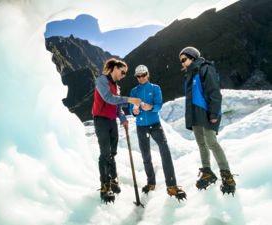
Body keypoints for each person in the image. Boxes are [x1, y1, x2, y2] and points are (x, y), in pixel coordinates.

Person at [179, 46, 236, 195]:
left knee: (211, 142)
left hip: (207, 113)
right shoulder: (190, 74)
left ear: (192, 57)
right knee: (201, 143)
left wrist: (214, 113)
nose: (183, 63)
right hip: (196, 115)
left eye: (184, 59)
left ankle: (227, 175)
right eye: (181, 61)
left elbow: (214, 92)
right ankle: (207, 172)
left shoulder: (205, 68)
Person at [129, 65, 186, 201]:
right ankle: (151, 183)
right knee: (145, 155)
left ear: (148, 74)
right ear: (136, 77)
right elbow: (132, 108)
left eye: (143, 75)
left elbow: (159, 105)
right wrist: (134, 111)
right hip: (141, 126)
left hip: (155, 125)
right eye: (138, 76)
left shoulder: (155, 88)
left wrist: (151, 107)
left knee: (165, 152)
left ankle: (171, 185)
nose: (141, 78)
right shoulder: (134, 91)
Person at [92, 58, 142, 203]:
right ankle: (104, 186)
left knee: (112, 153)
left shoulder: (117, 87)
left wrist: (123, 119)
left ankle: (113, 180)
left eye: (125, 73)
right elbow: (109, 98)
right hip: (101, 120)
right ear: (115, 68)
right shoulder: (102, 80)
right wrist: (130, 100)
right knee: (105, 153)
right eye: (123, 72)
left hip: (112, 121)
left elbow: (118, 107)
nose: (123, 75)